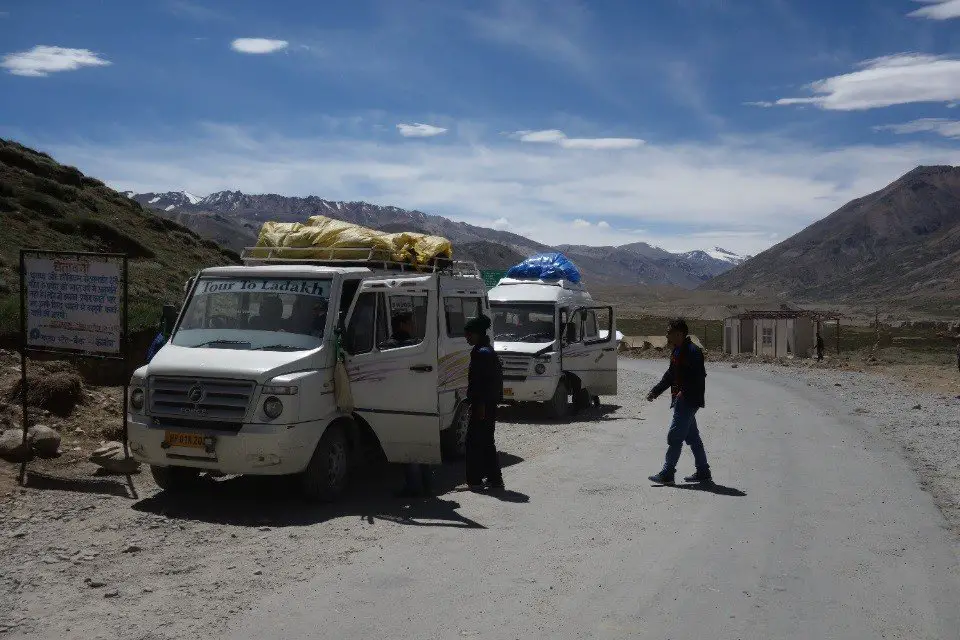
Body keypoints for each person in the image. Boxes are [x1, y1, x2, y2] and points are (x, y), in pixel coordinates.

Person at [646, 318, 711, 485]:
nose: (667, 334)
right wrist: (656, 391)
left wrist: (685, 393)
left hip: (688, 400)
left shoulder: (692, 351)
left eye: (669, 332)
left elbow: (698, 378)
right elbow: (670, 375)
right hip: (682, 399)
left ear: (679, 334)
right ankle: (703, 471)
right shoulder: (677, 351)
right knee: (693, 437)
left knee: (675, 436)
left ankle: (668, 473)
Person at [464, 314, 504, 491]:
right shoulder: (485, 350)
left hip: (483, 405)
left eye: (469, 334)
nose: (467, 338)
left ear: (477, 334)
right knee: (486, 440)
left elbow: (482, 383)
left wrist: (479, 406)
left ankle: (475, 481)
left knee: (474, 442)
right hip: (487, 404)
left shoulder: (482, 353)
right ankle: (494, 479)